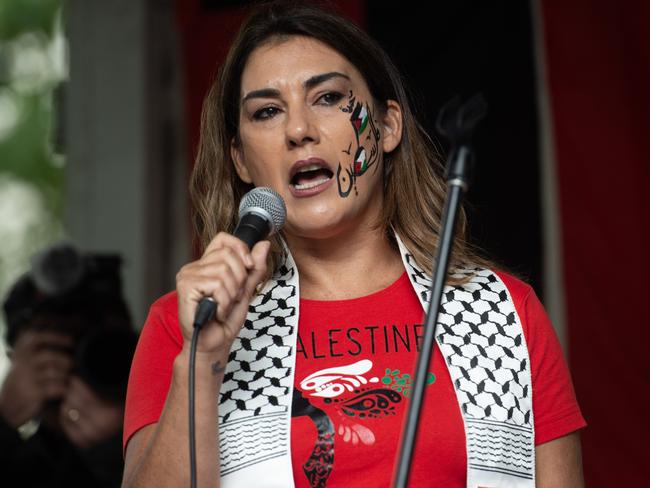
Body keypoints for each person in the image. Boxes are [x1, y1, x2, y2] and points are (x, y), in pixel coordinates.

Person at [122, 2, 586, 487]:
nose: (299, 130)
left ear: (387, 127)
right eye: (267, 111)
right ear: (240, 160)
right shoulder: (186, 325)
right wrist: (201, 362)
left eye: (326, 98)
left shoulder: (502, 314)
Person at [0, 243, 137, 487]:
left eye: (92, 344)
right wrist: (5, 418)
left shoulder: (170, 432)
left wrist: (122, 447)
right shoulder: (20, 465)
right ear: (17, 361)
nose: (73, 361)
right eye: (53, 345)